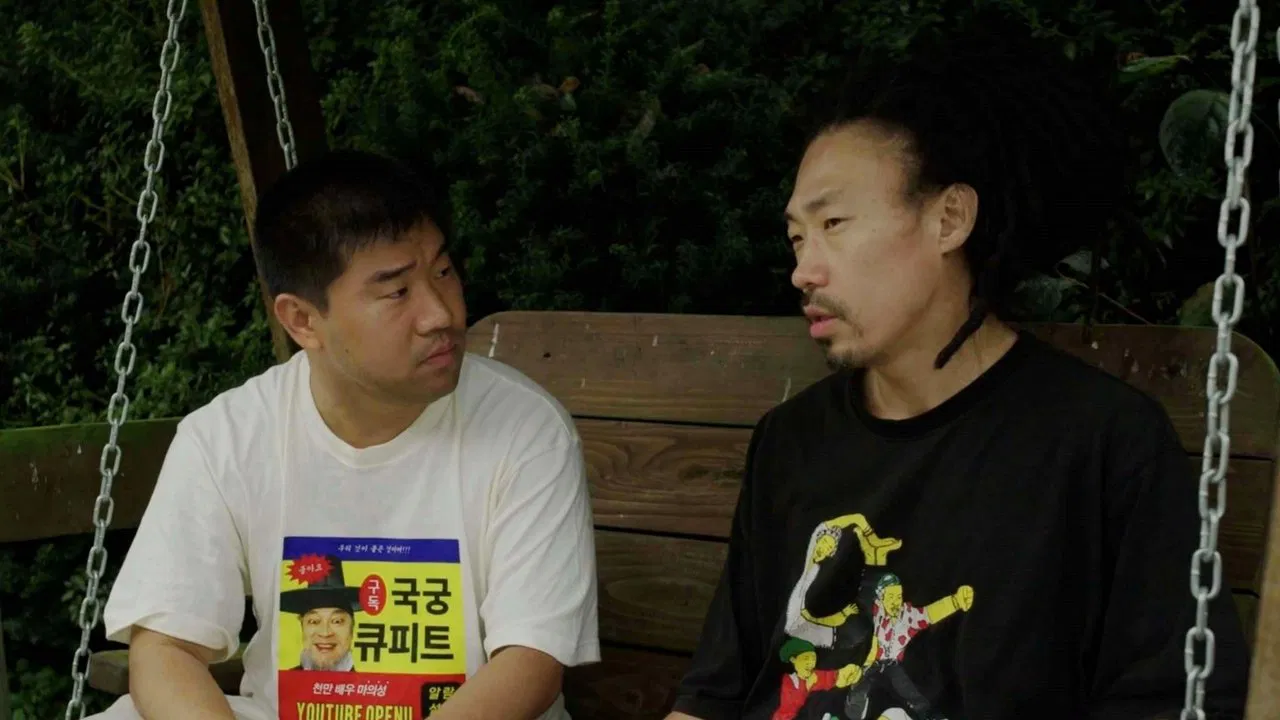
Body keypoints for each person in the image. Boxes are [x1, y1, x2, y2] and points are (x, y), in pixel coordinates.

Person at [667, 24, 1251, 720]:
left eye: (834, 224)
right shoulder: (789, 443)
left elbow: (1171, 701)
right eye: (797, 237)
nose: (804, 270)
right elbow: (714, 696)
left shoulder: (1098, 446)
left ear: (949, 219)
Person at [91, 150, 600, 720]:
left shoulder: (526, 430)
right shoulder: (227, 437)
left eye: (443, 272)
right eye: (397, 292)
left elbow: (531, 664)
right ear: (303, 320)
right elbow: (164, 648)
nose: (440, 314)